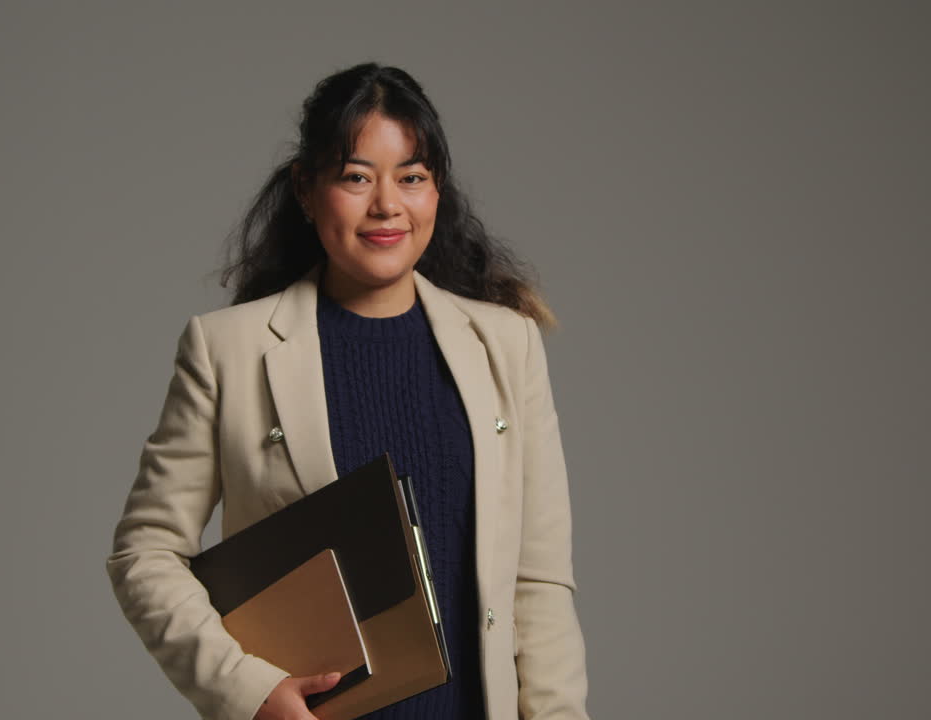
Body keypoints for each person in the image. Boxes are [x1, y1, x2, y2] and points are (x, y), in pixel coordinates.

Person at [105, 62, 589, 720]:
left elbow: (539, 582)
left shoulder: (506, 345)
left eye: (411, 177)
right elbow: (146, 549)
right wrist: (247, 690)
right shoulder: (229, 351)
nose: (387, 204)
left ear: (437, 191)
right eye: (356, 177)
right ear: (307, 190)